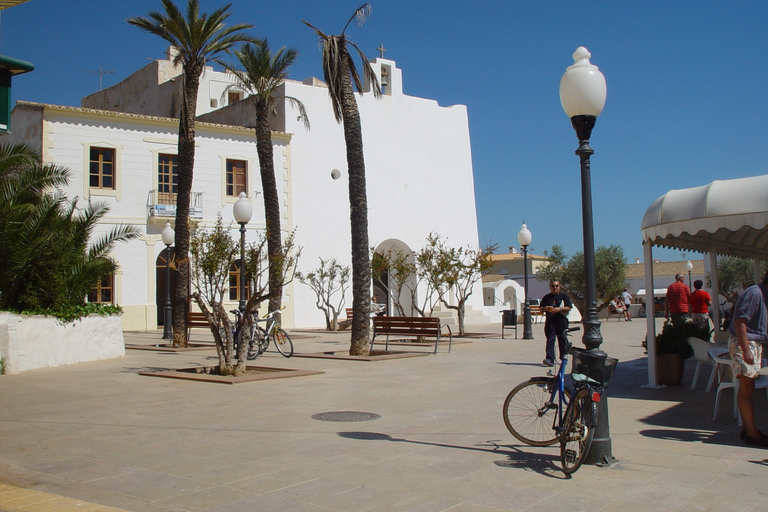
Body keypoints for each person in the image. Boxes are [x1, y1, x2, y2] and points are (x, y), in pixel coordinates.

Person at [728, 270, 768, 447]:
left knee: (747, 388)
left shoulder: (762, 294)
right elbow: (740, 322)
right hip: (746, 342)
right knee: (746, 387)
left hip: (752, 343)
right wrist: (746, 350)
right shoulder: (755, 293)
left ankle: (748, 428)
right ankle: (752, 434)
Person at [540, 280, 572, 367]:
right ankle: (550, 359)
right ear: (550, 287)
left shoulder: (563, 296)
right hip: (550, 323)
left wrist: (560, 309)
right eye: (553, 286)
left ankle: (563, 358)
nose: (555, 288)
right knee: (550, 341)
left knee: (562, 341)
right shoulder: (546, 297)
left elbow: (569, 307)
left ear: (559, 286)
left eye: (556, 286)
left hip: (561, 322)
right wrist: (545, 308)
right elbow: (541, 308)